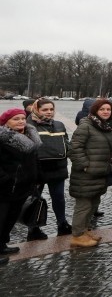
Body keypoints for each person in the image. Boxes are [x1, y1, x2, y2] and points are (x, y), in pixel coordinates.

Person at [68, 99, 112, 248]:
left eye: (108, 109)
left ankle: (84, 231)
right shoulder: (86, 125)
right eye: (102, 109)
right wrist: (85, 166)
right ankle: (77, 236)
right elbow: (74, 148)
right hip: (86, 174)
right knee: (83, 205)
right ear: (95, 111)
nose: (105, 112)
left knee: (93, 204)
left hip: (101, 173)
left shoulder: (107, 126)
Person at [0, 108, 42, 264]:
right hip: (5, 187)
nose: (21, 121)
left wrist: (38, 177)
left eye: (23, 118)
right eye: (16, 119)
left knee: (11, 218)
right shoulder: (2, 138)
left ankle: (2, 244)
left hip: (23, 186)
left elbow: (34, 161)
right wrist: (5, 179)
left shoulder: (30, 136)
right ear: (6, 122)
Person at [27, 98, 71, 240]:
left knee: (58, 197)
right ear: (36, 110)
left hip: (57, 167)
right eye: (45, 109)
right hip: (36, 169)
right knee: (35, 199)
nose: (49, 112)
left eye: (51, 109)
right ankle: (33, 228)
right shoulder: (28, 125)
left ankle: (62, 224)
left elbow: (66, 143)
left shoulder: (59, 125)